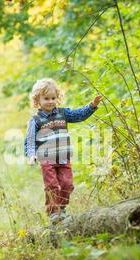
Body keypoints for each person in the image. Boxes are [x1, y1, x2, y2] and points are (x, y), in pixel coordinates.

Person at [25, 78, 102, 224]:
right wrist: (31, 155)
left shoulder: (63, 113)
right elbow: (29, 139)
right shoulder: (35, 120)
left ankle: (62, 208)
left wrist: (92, 106)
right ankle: (53, 212)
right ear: (37, 100)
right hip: (46, 159)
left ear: (57, 98)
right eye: (46, 98)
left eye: (53, 98)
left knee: (67, 183)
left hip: (63, 157)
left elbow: (79, 115)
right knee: (52, 185)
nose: (50, 101)